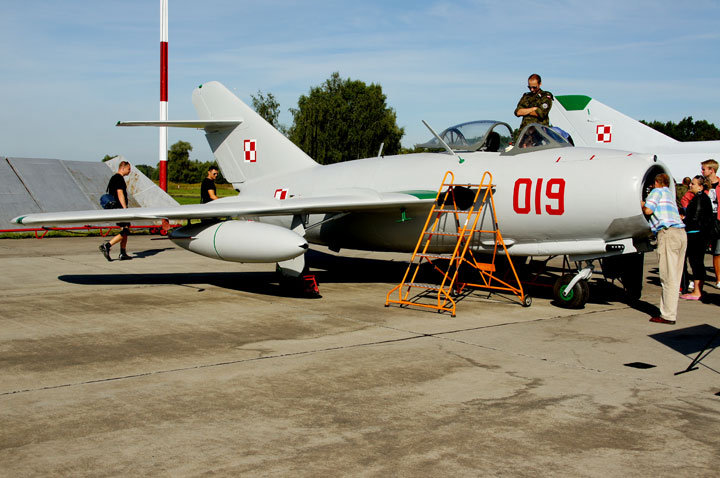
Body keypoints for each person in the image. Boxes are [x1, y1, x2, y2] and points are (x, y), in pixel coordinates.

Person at [641, 173, 687, 325]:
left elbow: (648, 210)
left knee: (668, 276)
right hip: (681, 234)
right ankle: (670, 311)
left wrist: (642, 203)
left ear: (656, 182)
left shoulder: (657, 192)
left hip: (668, 234)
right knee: (676, 274)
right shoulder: (669, 194)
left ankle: (667, 315)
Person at [679, 176, 714, 300]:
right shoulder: (702, 198)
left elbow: (696, 217)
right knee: (697, 262)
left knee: (696, 262)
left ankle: (697, 291)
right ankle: (697, 290)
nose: (690, 186)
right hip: (700, 234)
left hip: (696, 234)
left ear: (700, 186)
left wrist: (685, 220)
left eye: (693, 184)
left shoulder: (699, 199)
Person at [99, 161, 132, 261]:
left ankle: (123, 253)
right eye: (129, 169)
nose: (130, 171)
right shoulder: (119, 178)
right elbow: (120, 193)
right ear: (123, 168)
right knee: (126, 230)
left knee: (125, 229)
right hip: (120, 208)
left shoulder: (113, 178)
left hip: (115, 208)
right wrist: (124, 209)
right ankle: (107, 246)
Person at [700, 159, 720, 288]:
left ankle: (719, 279)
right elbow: (688, 199)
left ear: (711, 170)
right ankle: (699, 279)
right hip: (706, 221)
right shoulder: (702, 185)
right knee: (703, 250)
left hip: (718, 219)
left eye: (703, 169)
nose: (702, 171)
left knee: (718, 250)